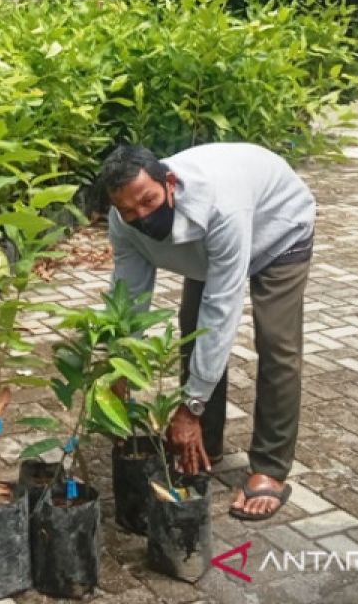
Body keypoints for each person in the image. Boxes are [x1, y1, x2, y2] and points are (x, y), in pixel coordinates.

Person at [101, 142, 314, 520]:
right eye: (129, 210)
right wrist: (118, 367)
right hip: (207, 251)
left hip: (277, 229)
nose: (141, 215)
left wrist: (190, 406)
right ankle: (206, 444)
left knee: (276, 344)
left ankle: (270, 466)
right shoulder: (124, 222)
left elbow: (223, 305)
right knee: (192, 329)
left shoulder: (221, 204)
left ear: (170, 183)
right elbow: (128, 297)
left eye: (149, 201)